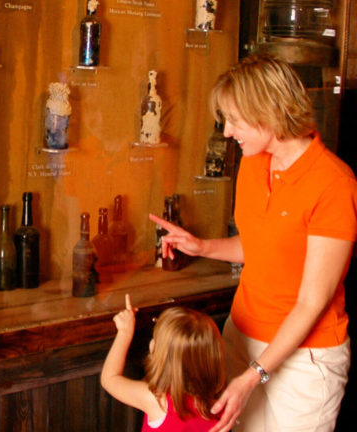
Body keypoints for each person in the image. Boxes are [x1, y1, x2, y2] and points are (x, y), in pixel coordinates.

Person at [149, 54, 357, 432]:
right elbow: (259, 245)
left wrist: (253, 376)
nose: (227, 132)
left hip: (304, 360)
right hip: (240, 336)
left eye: (234, 120)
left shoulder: (334, 184)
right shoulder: (254, 162)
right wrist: (202, 247)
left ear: (269, 112)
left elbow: (312, 301)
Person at [101, 294, 226, 431]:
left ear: (156, 351)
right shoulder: (221, 402)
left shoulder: (157, 400)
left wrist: (124, 332)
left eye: (155, 339)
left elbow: (110, 378)